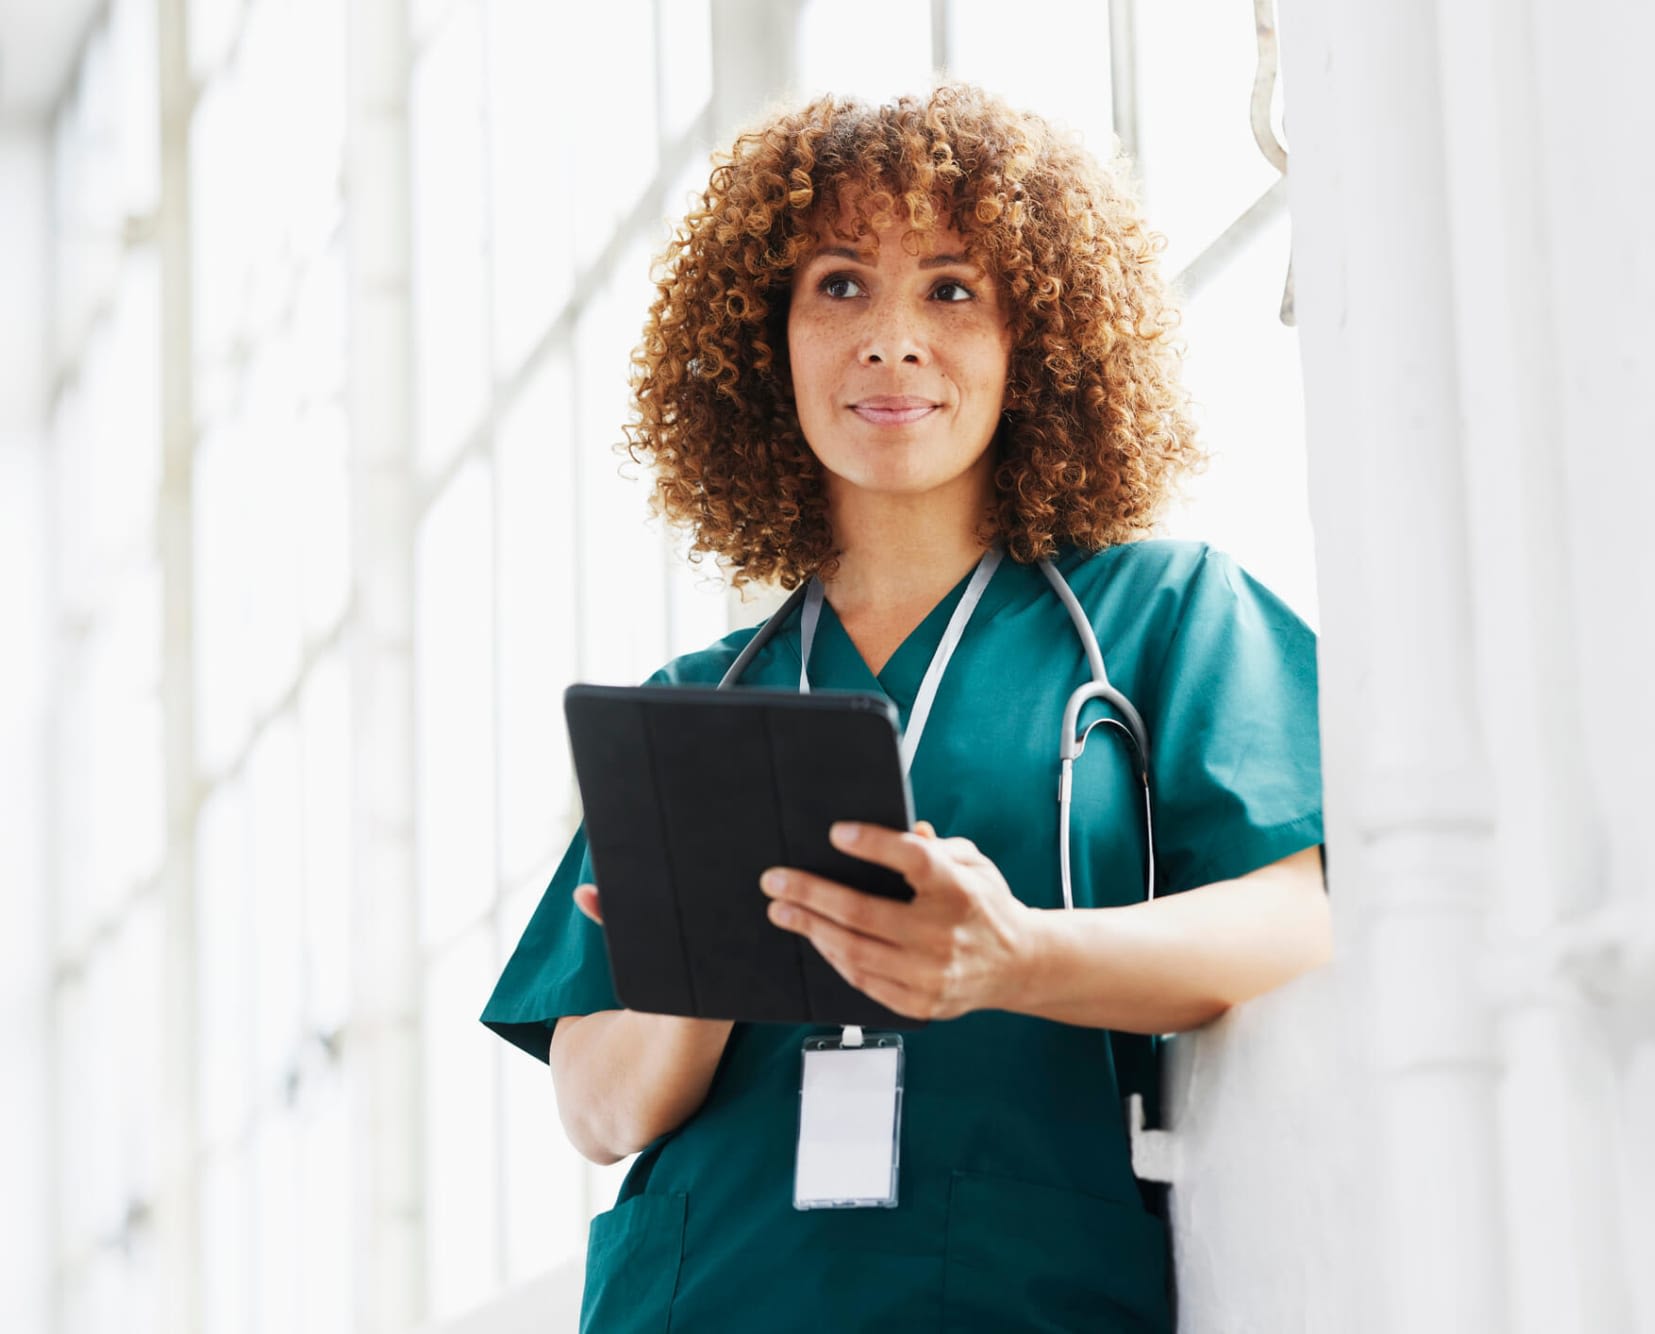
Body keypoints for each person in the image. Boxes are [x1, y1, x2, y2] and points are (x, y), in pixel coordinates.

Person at [481, 82, 1330, 1332]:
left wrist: (1018, 954)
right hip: (706, 1291)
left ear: (1033, 335)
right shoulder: (695, 705)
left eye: (948, 287)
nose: (889, 338)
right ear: (765, 334)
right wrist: (700, 963)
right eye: (836, 284)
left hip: (1007, 1285)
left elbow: (1303, 916)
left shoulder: (1157, 617)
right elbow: (598, 1111)